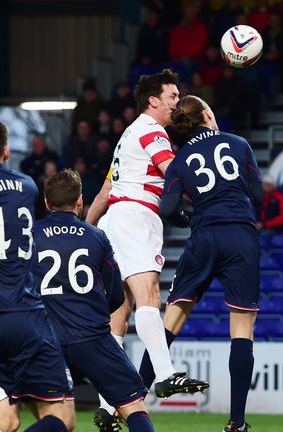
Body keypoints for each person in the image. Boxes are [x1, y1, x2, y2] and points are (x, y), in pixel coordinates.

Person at [85, 70, 208, 428]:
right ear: (153, 100)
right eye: (172, 96)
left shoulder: (128, 136)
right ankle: (166, 373)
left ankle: (109, 406)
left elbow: (104, 194)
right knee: (149, 297)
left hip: (113, 221)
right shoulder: (152, 132)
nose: (176, 101)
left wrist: (87, 231)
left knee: (118, 317)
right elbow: (177, 173)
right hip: (136, 217)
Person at [150, 95, 263, 432]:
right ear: (208, 115)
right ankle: (236, 423)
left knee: (170, 321)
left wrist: (190, 215)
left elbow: (166, 207)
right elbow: (258, 195)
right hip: (240, 234)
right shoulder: (239, 144)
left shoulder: (181, 160)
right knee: (242, 328)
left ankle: (129, 404)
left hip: (204, 236)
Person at [33, 169, 155, 432]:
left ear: (46, 202)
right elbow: (115, 295)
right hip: (92, 337)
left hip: (47, 340)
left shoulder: (31, 235)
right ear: (79, 201)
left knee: (58, 418)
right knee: (133, 406)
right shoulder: (96, 236)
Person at [0, 117, 76, 431]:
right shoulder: (27, 186)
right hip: (26, 316)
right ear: (7, 151)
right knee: (61, 418)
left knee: (5, 420)